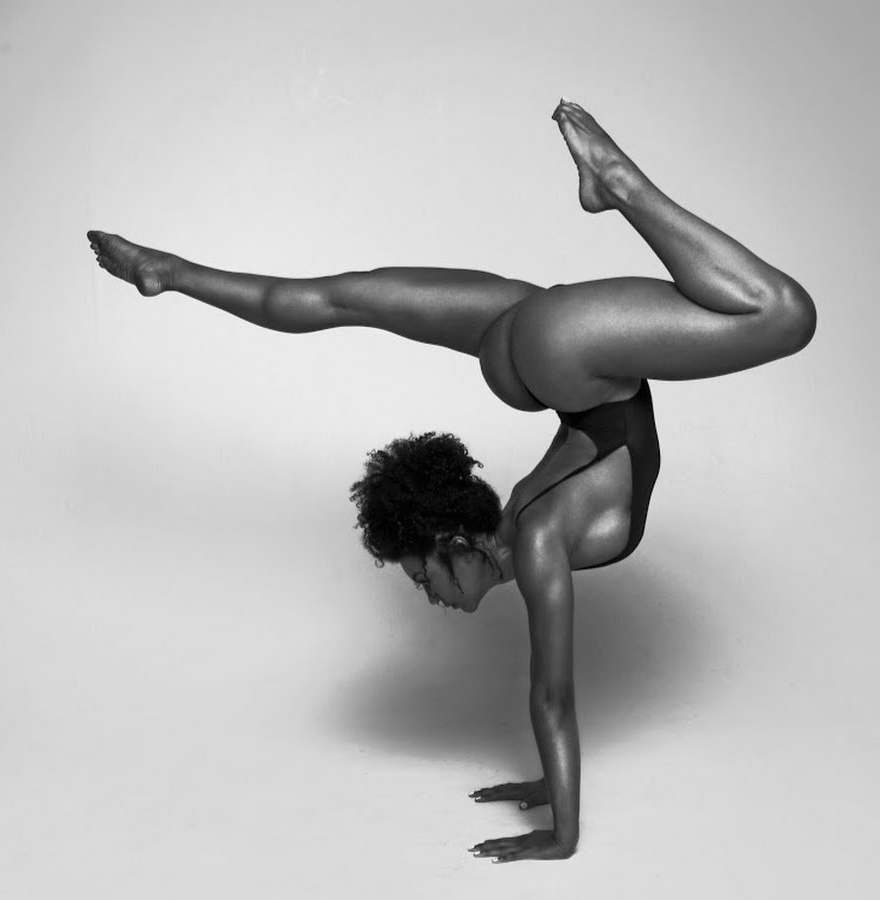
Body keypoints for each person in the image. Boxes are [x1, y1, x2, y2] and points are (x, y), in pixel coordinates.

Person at [87, 99, 816, 863]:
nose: (429, 595)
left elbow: (552, 694)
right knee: (344, 295)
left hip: (564, 353)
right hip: (531, 338)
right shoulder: (528, 516)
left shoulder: (536, 537)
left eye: (421, 574)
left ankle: (617, 184)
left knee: (785, 315)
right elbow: (551, 698)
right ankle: (169, 273)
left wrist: (562, 836)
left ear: (455, 540)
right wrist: (549, 781)